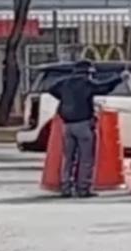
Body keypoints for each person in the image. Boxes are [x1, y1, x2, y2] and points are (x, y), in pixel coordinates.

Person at [49, 60, 126, 198]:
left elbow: (52, 89)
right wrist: (119, 78)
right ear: (88, 73)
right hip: (83, 124)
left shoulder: (64, 84)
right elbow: (103, 87)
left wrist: (65, 98)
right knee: (86, 158)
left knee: (68, 158)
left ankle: (66, 187)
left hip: (67, 125)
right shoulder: (87, 84)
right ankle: (82, 188)